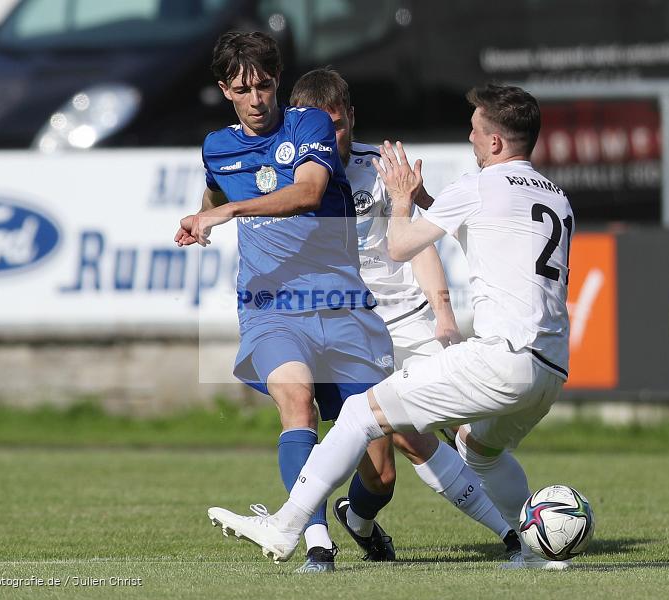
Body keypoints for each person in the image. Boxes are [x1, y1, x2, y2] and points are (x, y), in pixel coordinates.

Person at [207, 84, 576, 570]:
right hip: (550, 367)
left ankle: (285, 526)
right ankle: (534, 549)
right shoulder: (556, 197)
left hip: (497, 355)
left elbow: (402, 244)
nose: (469, 137)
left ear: (494, 144)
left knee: (361, 413)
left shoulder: (476, 184)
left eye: (475, 130)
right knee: (477, 451)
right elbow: (481, 222)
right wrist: (422, 196)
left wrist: (402, 200)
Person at [176, 32, 399, 573]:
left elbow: (308, 192)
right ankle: (316, 540)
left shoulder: (309, 125)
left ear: (278, 82)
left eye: (265, 85)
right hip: (269, 306)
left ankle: (358, 517)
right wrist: (201, 216)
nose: (257, 99)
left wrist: (225, 214)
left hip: (337, 303)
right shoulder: (217, 145)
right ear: (225, 90)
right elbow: (215, 188)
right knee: (296, 404)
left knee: (383, 471)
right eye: (243, 89)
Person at [288, 68, 519, 556]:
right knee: (388, 470)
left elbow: (417, 244)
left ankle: (521, 531)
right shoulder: (293, 178)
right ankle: (360, 522)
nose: (330, 137)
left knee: (466, 429)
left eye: (338, 124)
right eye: (318, 127)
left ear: (352, 117)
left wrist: (444, 316)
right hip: (351, 332)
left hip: (410, 319)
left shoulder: (380, 168)